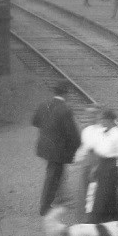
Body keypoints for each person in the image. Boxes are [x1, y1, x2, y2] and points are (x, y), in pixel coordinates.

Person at [32, 81, 82, 215]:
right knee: (53, 177)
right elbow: (73, 134)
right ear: (66, 94)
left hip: (44, 147)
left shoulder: (44, 104)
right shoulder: (65, 109)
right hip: (58, 151)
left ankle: (57, 201)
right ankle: (45, 207)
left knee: (54, 175)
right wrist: (75, 148)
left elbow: (35, 121)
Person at [87, 108, 118, 223]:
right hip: (101, 164)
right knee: (106, 196)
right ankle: (109, 221)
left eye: (103, 119)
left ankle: (96, 222)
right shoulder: (101, 132)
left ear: (110, 120)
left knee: (104, 195)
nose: (100, 121)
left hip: (112, 168)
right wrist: (94, 168)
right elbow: (97, 151)